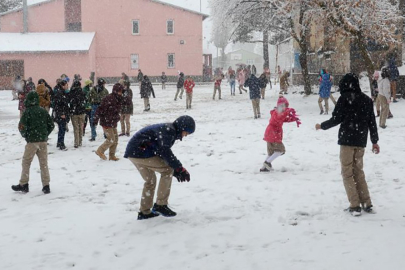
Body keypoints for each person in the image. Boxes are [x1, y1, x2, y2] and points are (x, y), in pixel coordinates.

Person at [315, 73, 379, 216]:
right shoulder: (367, 100)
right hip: (361, 141)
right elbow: (372, 123)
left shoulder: (344, 99)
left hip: (347, 141)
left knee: (347, 173)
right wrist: (375, 141)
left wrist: (322, 126)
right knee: (359, 172)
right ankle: (367, 203)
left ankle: (355, 205)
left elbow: (336, 119)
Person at [124, 115, 195, 220]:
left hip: (133, 152)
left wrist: (175, 169)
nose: (186, 135)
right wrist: (179, 168)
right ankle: (161, 205)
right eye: (187, 132)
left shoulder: (169, 130)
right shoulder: (169, 131)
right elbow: (165, 151)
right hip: (140, 152)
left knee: (150, 180)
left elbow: (160, 151)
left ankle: (145, 212)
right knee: (167, 171)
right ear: (182, 127)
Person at [11, 92, 55, 194]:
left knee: (26, 162)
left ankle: (24, 184)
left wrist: (26, 135)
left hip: (32, 142)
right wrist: (45, 134)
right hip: (43, 141)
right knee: (43, 164)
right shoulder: (43, 111)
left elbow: (21, 126)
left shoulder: (27, 112)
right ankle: (46, 185)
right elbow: (51, 125)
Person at [261, 97, 301, 172]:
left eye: (286, 106)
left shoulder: (277, 112)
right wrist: (287, 111)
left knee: (271, 152)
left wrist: (293, 119)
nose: (286, 108)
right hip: (274, 133)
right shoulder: (278, 112)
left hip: (270, 133)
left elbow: (283, 119)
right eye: (285, 106)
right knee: (280, 150)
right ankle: (267, 162)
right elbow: (279, 118)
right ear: (281, 105)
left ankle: (264, 168)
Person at [94, 83, 124, 161]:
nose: (121, 93)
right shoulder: (108, 98)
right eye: (120, 91)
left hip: (113, 122)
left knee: (115, 139)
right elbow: (99, 109)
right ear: (115, 91)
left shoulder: (119, 98)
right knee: (111, 139)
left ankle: (112, 156)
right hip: (106, 122)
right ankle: (100, 151)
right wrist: (95, 119)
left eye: (121, 91)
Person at [52, 80, 70, 150]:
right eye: (66, 85)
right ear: (63, 86)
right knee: (62, 129)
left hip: (62, 113)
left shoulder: (62, 93)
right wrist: (61, 113)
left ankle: (59, 142)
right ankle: (61, 143)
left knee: (61, 128)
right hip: (61, 114)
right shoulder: (60, 93)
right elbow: (58, 105)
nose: (67, 86)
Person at [69, 80, 86, 148]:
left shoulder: (71, 92)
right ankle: (80, 141)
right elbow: (85, 100)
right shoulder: (82, 92)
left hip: (74, 112)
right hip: (81, 112)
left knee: (75, 128)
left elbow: (70, 102)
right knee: (81, 127)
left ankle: (76, 142)